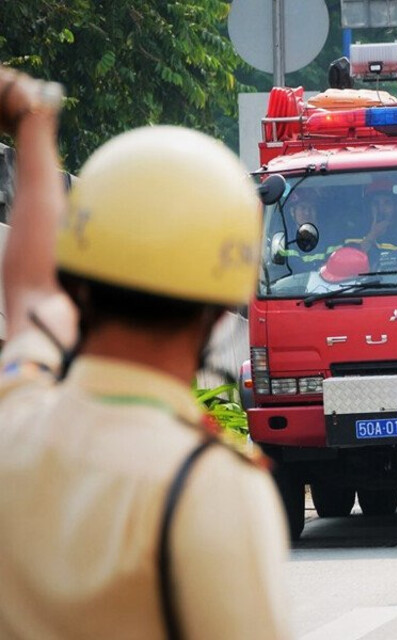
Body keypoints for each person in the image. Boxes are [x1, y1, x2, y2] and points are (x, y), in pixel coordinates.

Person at [0, 67, 289, 638]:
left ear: (79, 281)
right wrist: (32, 118)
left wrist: (32, 118)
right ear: (217, 311)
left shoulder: (18, 406)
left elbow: (31, 291)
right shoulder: (212, 486)